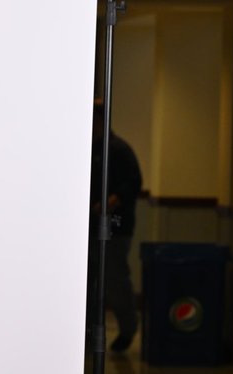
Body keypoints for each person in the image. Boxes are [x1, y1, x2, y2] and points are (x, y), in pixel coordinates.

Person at [90, 98, 143, 353]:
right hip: (91, 226)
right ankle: (89, 332)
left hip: (115, 225)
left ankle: (128, 328)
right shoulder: (88, 148)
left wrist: (110, 202)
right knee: (89, 280)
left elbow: (133, 184)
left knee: (114, 278)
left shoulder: (118, 150)